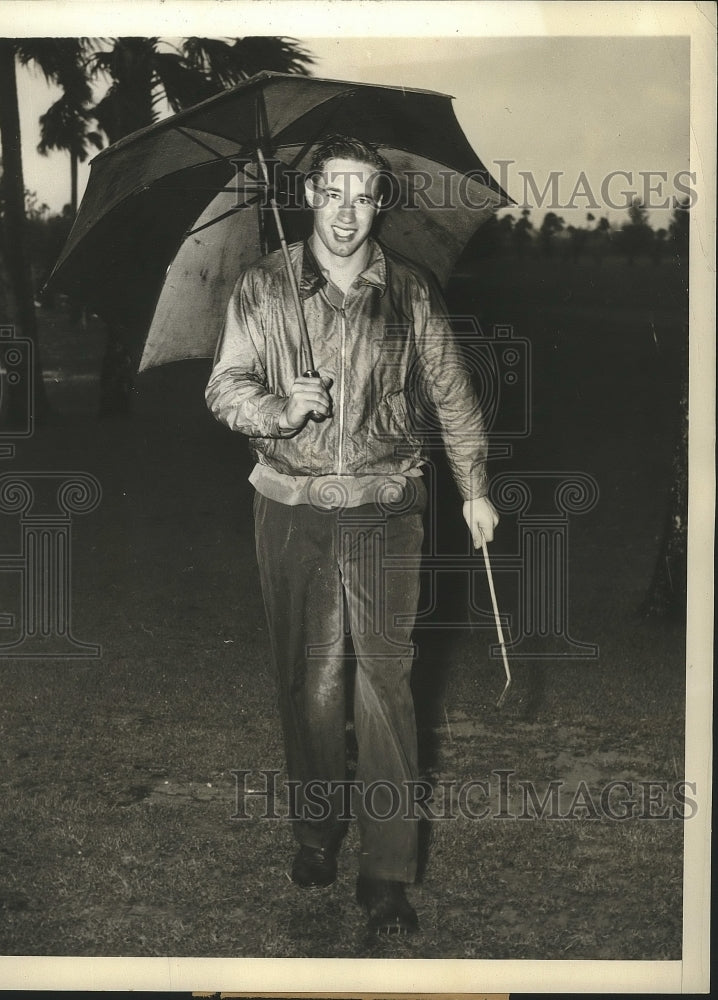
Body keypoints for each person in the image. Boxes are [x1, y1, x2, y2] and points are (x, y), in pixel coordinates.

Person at [206, 134, 499, 936]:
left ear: (380, 203)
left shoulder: (410, 290)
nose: (347, 210)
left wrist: (474, 488)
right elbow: (224, 384)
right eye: (333, 191)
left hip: (384, 506)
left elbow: (451, 392)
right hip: (289, 506)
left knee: (382, 686)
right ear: (309, 196)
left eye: (363, 194)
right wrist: (278, 408)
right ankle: (315, 830)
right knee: (311, 684)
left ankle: (387, 873)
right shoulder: (263, 288)